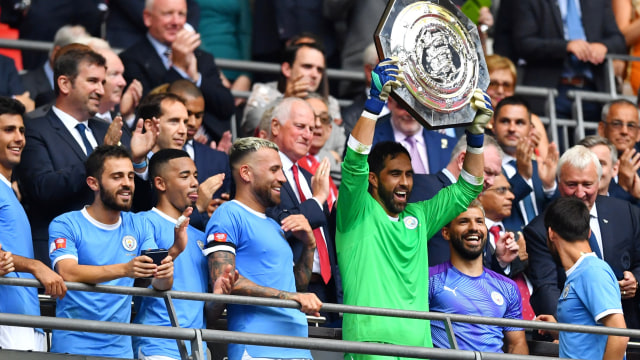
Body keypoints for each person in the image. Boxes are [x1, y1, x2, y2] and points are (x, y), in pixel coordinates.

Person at [336, 57, 491, 358]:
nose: (406, 182)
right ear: (372, 179)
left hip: (420, 350)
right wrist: (373, 104)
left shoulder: (419, 216)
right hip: (369, 349)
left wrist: (475, 136)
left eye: (408, 174)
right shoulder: (356, 212)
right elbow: (354, 162)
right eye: (395, 174)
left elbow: (469, 186)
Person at [16, 44, 155, 266]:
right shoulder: (34, 129)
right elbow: (42, 188)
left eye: (102, 82)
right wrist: (99, 155)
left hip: (115, 257)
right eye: (92, 81)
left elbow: (139, 204)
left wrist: (138, 163)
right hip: (60, 259)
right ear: (64, 83)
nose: (101, 89)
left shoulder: (107, 129)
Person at [48, 145, 189, 358]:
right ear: (93, 183)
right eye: (117, 177)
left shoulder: (138, 224)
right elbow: (67, 272)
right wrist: (125, 269)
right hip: (73, 346)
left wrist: (169, 263)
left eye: (131, 176)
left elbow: (159, 283)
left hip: (120, 350)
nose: (127, 184)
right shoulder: (66, 223)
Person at [204, 137, 322, 360]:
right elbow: (225, 280)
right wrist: (293, 297)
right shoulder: (228, 214)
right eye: (275, 170)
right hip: (258, 348)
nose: (283, 178)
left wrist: (309, 245)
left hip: (298, 348)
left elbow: (294, 287)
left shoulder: (273, 225)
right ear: (246, 173)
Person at [133, 148, 236, 360]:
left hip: (197, 349)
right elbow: (140, 279)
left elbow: (206, 313)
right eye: (184, 176)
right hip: (157, 346)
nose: (194, 183)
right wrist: (175, 250)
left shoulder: (200, 234)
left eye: (196, 176)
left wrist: (219, 297)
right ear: (161, 183)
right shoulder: (142, 221)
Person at [524, 145, 640, 330]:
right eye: (571, 185)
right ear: (559, 182)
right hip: (577, 333)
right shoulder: (541, 229)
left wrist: (635, 279)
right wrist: (566, 332)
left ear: (599, 181)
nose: (579, 193)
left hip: (629, 330)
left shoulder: (625, 212)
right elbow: (547, 288)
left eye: (587, 184)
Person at [265, 97, 341, 323]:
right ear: (276, 126)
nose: (308, 135)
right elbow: (278, 224)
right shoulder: (264, 173)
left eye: (312, 128)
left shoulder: (311, 178)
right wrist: (317, 199)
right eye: (300, 127)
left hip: (326, 290)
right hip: (287, 288)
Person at [0, 97, 67, 351]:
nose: (19, 138)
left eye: (21, 130)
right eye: (9, 130)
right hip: (8, 318)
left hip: (27, 318)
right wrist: (35, 265)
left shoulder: (9, 190)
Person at [120, 0, 234, 141]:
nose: (176, 22)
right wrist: (178, 69)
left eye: (181, 14)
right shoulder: (131, 59)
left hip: (209, 144)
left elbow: (227, 107)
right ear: (148, 17)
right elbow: (148, 112)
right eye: (168, 14)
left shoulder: (201, 58)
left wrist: (195, 77)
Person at [429, 200, 528, 354]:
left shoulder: (508, 287)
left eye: (479, 222)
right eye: (463, 221)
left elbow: (517, 344)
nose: (474, 228)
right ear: (446, 232)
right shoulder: (429, 279)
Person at [536, 197, 629, 360]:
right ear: (589, 232)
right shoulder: (581, 272)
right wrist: (557, 328)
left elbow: (620, 335)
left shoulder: (592, 271)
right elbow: (587, 333)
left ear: (551, 233)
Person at [512, 0, 626, 120]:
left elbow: (618, 40)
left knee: (594, 137)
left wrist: (604, 46)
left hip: (592, 91)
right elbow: (523, 43)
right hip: (552, 90)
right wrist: (565, 47)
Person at [409, 134, 503, 266]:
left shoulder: (476, 207)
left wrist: (500, 260)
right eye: (487, 172)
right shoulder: (425, 187)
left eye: (495, 175)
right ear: (463, 160)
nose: (492, 182)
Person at [490, 96, 559, 231]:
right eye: (505, 121)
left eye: (520, 122)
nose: (512, 128)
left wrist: (550, 187)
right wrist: (522, 176)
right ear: (493, 125)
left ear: (531, 129)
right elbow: (491, 207)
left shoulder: (541, 167)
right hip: (508, 247)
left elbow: (559, 217)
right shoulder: (485, 166)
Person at [371, 96, 456, 175]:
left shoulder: (451, 146)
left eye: (417, 105)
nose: (410, 113)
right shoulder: (369, 142)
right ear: (390, 102)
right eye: (403, 106)